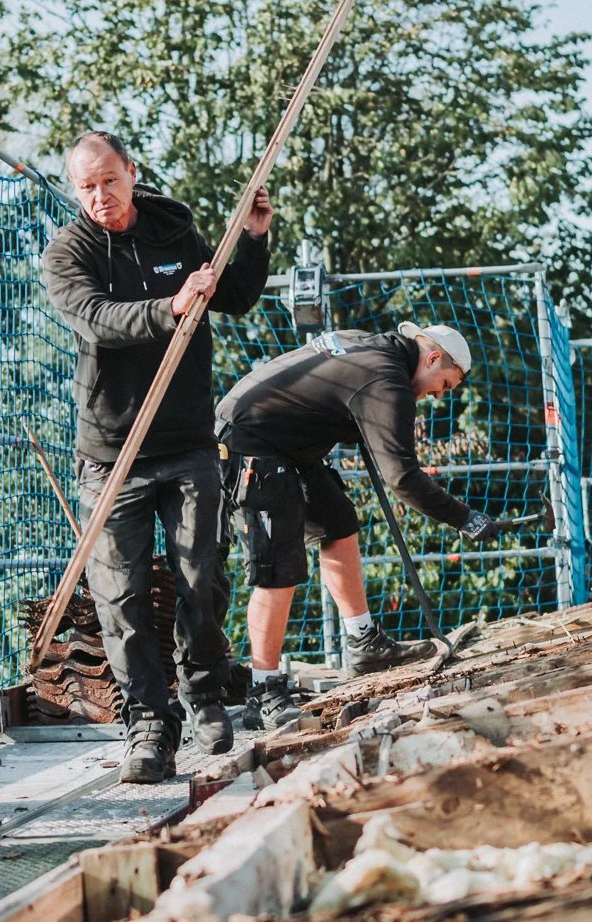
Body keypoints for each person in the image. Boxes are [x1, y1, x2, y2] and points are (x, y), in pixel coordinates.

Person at [41, 131, 272, 783]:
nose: (100, 196)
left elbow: (233, 296)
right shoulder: (68, 252)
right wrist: (170, 307)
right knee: (121, 595)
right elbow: (97, 319)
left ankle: (203, 691)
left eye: (109, 180)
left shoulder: (175, 232)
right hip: (111, 453)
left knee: (204, 573)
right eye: (86, 186)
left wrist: (253, 240)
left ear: (132, 173)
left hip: (187, 441)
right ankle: (148, 722)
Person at [214, 321, 511, 730]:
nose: (438, 395)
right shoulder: (387, 378)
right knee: (278, 568)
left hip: (285, 443)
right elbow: (403, 478)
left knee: (338, 519)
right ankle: (263, 690)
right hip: (249, 445)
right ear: (432, 357)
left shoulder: (371, 346)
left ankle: (364, 641)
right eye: (443, 384)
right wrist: (465, 517)